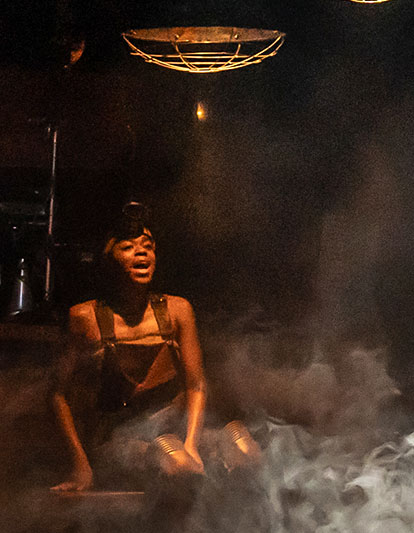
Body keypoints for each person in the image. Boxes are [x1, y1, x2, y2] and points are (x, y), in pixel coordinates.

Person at [48, 203, 258, 493]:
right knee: (172, 457)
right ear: (108, 258)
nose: (141, 252)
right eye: (127, 247)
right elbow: (58, 395)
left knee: (242, 446)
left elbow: (196, 385)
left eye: (147, 246)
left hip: (173, 434)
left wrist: (192, 445)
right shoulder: (85, 317)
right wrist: (80, 465)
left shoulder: (177, 310)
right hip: (117, 443)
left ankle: (246, 532)